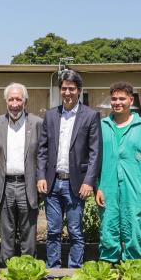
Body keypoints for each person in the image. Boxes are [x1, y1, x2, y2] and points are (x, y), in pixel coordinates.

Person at [37, 70, 101, 268]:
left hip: (76, 184)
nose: (67, 92)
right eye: (64, 88)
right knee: (53, 231)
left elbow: (95, 152)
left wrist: (89, 181)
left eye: (71, 89)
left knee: (75, 230)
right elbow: (42, 150)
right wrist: (41, 176)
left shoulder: (90, 116)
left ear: (79, 90)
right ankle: (53, 269)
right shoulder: (51, 115)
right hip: (52, 182)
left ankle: (75, 270)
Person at [96, 82, 141, 262]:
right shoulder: (102, 126)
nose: (117, 102)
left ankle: (132, 270)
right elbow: (94, 161)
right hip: (107, 190)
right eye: (114, 99)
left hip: (136, 191)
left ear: (131, 100)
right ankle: (107, 269)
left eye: (122, 99)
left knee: (134, 233)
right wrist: (98, 187)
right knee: (108, 231)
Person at [0, 83, 43, 264]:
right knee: (6, 231)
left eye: (18, 99)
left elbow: (43, 155)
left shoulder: (37, 123)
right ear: (6, 101)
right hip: (5, 185)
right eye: (11, 99)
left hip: (27, 184)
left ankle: (29, 268)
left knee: (29, 231)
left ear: (25, 101)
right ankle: (7, 268)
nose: (14, 103)